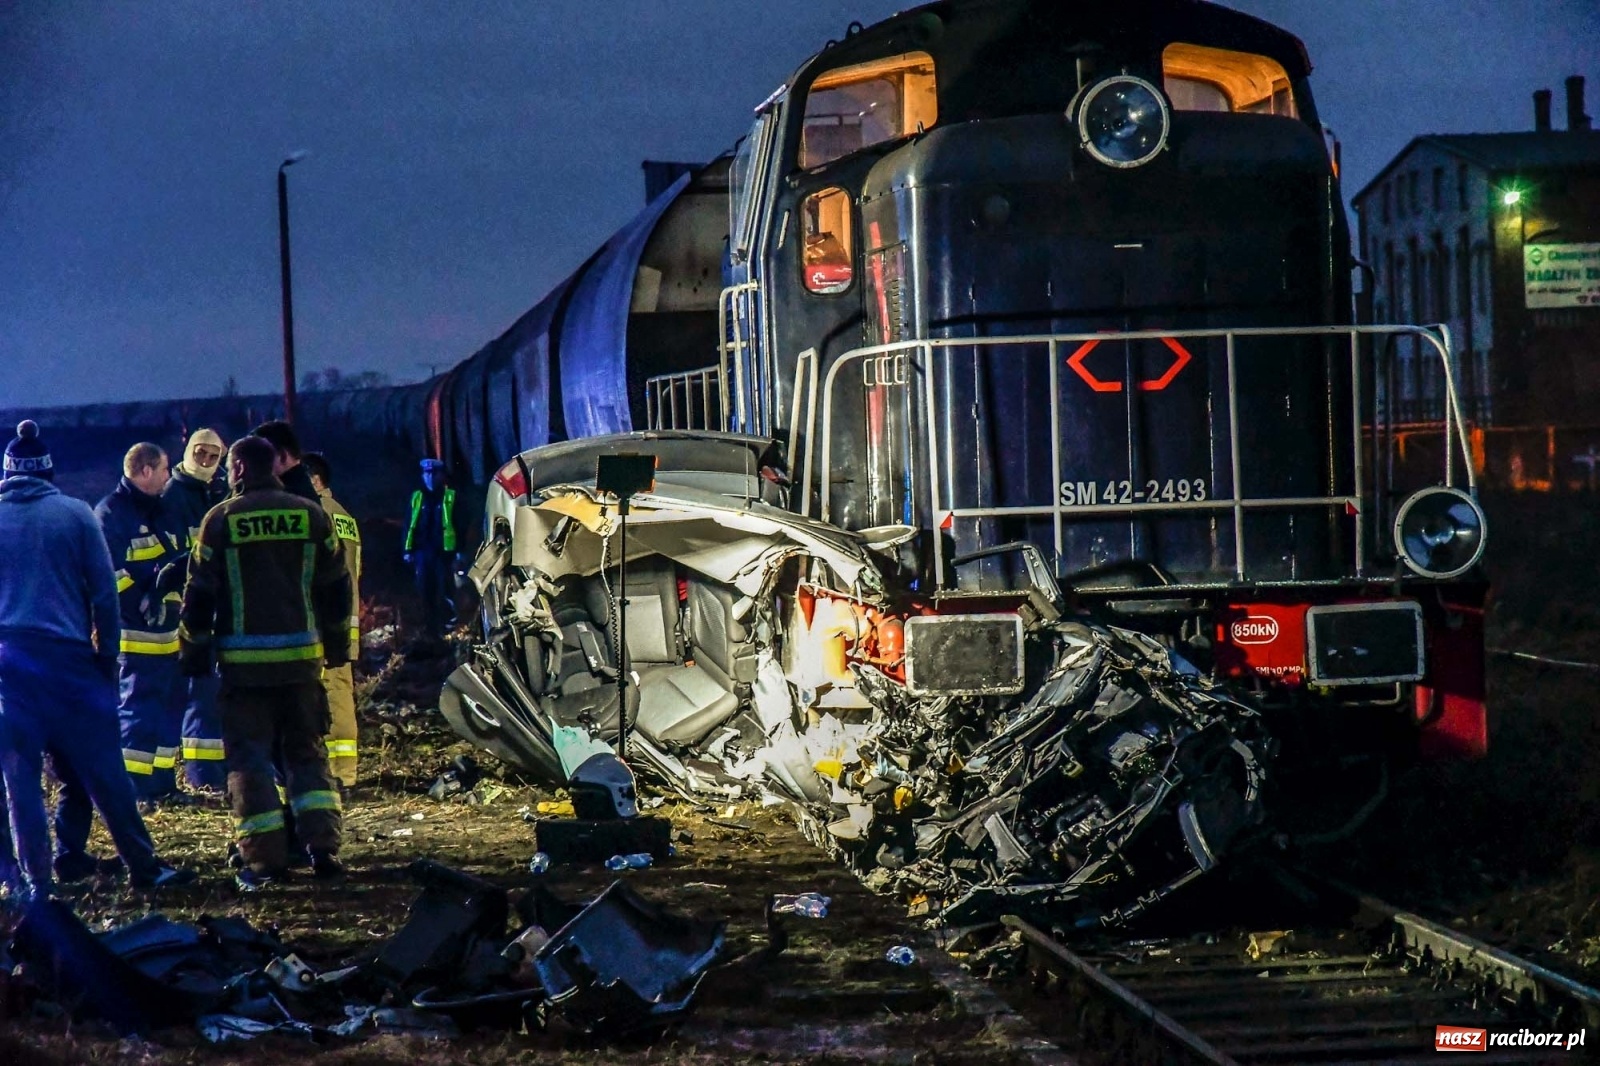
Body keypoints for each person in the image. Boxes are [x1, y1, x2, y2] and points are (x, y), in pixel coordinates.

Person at [0, 420, 192, 897]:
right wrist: (106, 659)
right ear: (49, 472)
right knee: (105, 770)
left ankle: (34, 883)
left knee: (19, 778)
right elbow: (105, 595)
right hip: (68, 662)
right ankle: (143, 867)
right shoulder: (76, 514)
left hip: (8, 665)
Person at [178, 436, 351, 890]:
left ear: (236, 470)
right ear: (273, 465)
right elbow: (336, 586)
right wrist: (337, 646)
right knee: (307, 755)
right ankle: (323, 848)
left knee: (250, 762)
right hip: (301, 665)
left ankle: (265, 860)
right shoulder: (310, 515)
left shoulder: (220, 521)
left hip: (244, 669)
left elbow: (199, 596)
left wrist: (192, 652)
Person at [95, 442, 187, 805]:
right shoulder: (111, 513)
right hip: (135, 634)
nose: (169, 476)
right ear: (145, 471)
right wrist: (143, 600)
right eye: (164, 469)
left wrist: (171, 595)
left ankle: (163, 786)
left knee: (169, 709)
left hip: (171, 631)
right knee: (138, 711)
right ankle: (132, 791)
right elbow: (108, 575)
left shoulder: (164, 509)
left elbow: (179, 560)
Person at [162, 427, 229, 792]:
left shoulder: (219, 494)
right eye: (199, 453)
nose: (204, 460)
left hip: (215, 607)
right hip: (187, 610)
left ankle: (215, 775)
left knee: (213, 697)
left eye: (212, 456)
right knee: (197, 696)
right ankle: (203, 777)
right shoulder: (173, 496)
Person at [303, 452, 361, 789]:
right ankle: (346, 772)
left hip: (322, 621)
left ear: (315, 479)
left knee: (322, 696)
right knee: (340, 692)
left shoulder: (318, 515)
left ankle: (332, 772)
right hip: (345, 618)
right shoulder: (344, 515)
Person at [404, 458, 459, 637]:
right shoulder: (417, 497)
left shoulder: (450, 496)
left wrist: (459, 552)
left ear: (441, 475)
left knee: (444, 590)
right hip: (422, 552)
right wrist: (407, 550)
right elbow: (409, 525)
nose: (429, 477)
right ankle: (430, 629)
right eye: (426, 473)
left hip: (444, 553)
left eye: (434, 473)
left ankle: (449, 629)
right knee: (425, 590)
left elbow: (459, 523)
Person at [251, 419, 319, 504]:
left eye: (262, 457)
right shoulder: (307, 492)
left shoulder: (281, 496)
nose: (256, 464)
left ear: (282, 455)